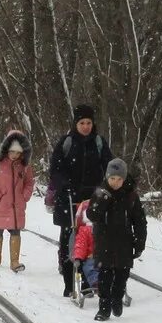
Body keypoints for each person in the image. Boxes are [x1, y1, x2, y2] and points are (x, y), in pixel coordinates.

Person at [46, 103, 113, 298]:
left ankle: (90, 278)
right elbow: (55, 169)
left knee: (93, 239)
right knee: (70, 240)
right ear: (76, 123)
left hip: (93, 199)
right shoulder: (66, 143)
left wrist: (105, 187)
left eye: (89, 123)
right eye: (82, 123)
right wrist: (63, 184)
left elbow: (109, 166)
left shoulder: (99, 143)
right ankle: (70, 281)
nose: (85, 126)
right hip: (68, 200)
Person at [88, 159, 146, 321]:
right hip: (104, 241)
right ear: (107, 177)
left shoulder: (131, 196)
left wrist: (139, 242)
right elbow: (91, 215)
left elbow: (140, 221)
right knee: (104, 277)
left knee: (121, 276)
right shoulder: (100, 193)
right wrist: (102, 201)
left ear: (124, 178)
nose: (115, 183)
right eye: (112, 179)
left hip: (124, 243)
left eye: (119, 179)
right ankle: (104, 308)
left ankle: (117, 298)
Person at [0, 130, 35, 272]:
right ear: (6, 150)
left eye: (18, 152)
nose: (15, 155)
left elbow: (29, 182)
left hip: (17, 207)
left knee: (16, 232)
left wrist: (25, 196)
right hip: (0, 206)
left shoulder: (25, 166)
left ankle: (15, 262)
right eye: (12, 152)